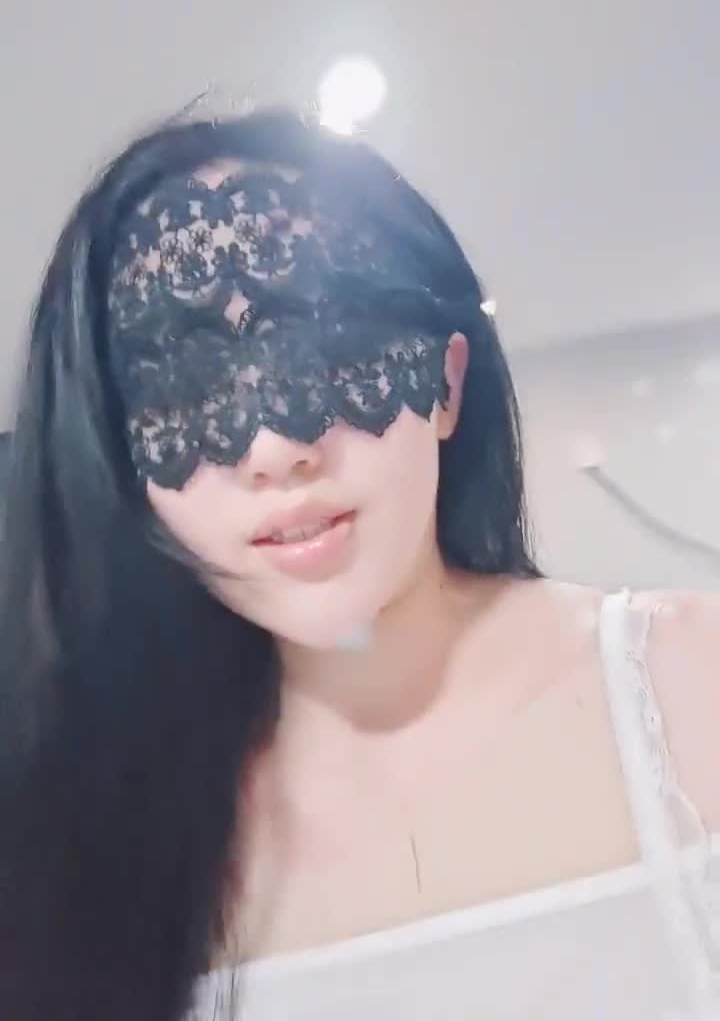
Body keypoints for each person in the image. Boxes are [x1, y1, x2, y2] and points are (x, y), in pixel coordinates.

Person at [0, 104, 718, 1021]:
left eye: (325, 350)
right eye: (184, 390)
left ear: (448, 383)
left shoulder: (695, 683)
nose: (272, 448)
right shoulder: (83, 844)